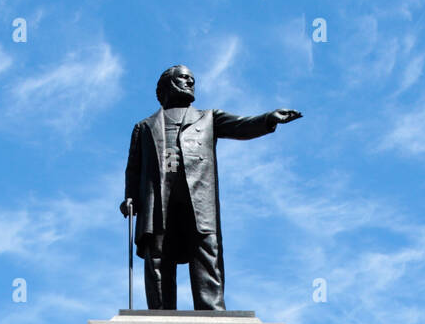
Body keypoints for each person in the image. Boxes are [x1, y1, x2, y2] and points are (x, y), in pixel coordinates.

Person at [122, 65, 301, 310]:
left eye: (192, 79)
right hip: (158, 199)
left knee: (205, 251)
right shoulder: (144, 127)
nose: (190, 82)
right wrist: (130, 197)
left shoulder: (208, 118)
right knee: (158, 255)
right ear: (166, 86)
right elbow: (134, 168)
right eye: (183, 78)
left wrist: (268, 119)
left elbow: (240, 125)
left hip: (197, 197)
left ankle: (211, 311)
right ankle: (161, 312)